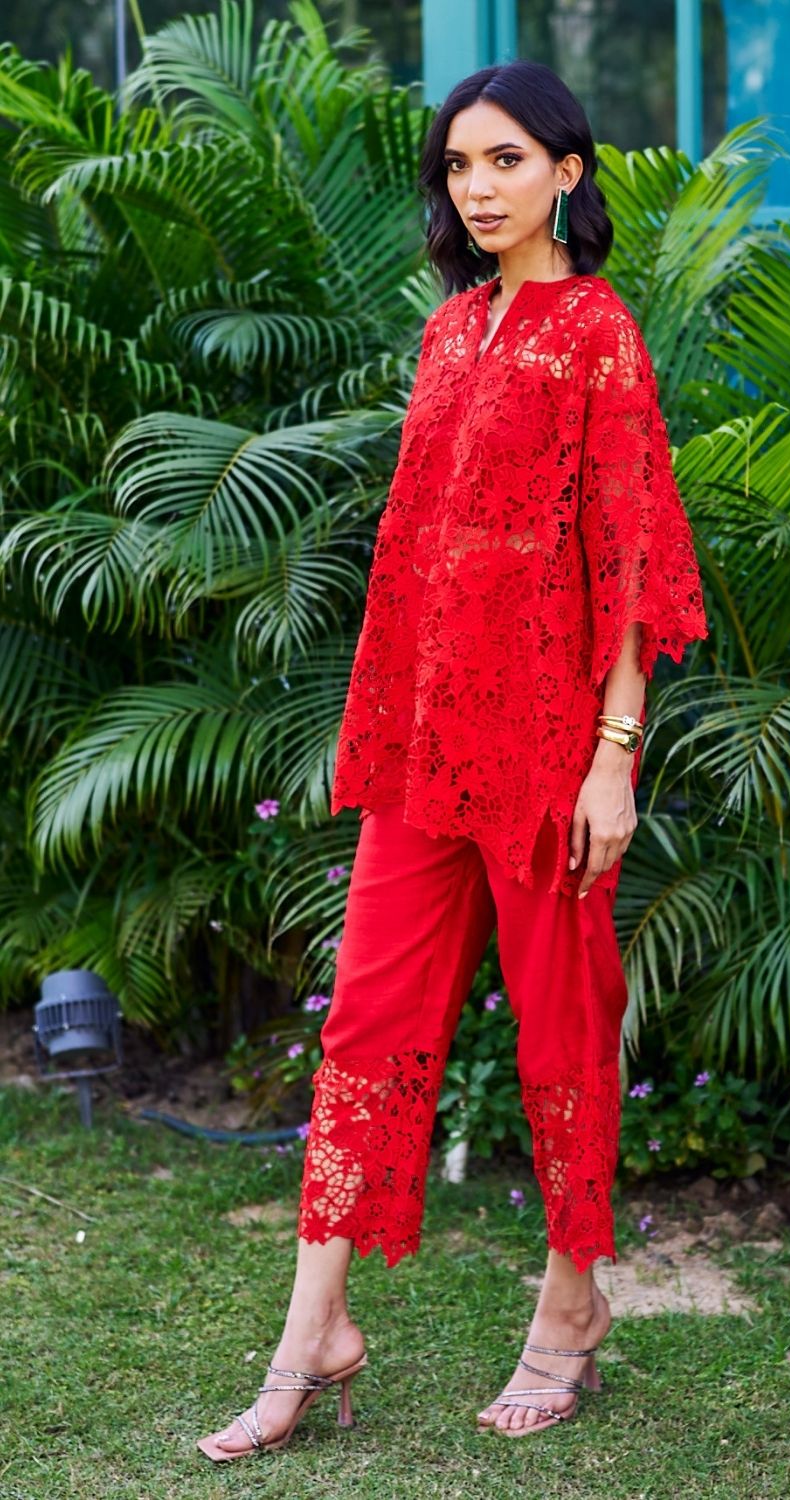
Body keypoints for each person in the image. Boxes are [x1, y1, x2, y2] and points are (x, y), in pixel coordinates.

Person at [197, 57, 706, 1461]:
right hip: (428, 751)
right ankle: (313, 1330)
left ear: (568, 172)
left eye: (506, 160)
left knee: (560, 1024)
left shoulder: (599, 334)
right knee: (365, 1022)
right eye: (460, 166)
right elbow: (415, 548)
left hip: (550, 753)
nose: (478, 188)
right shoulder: (450, 332)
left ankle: (571, 1303)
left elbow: (634, 553)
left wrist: (615, 756)